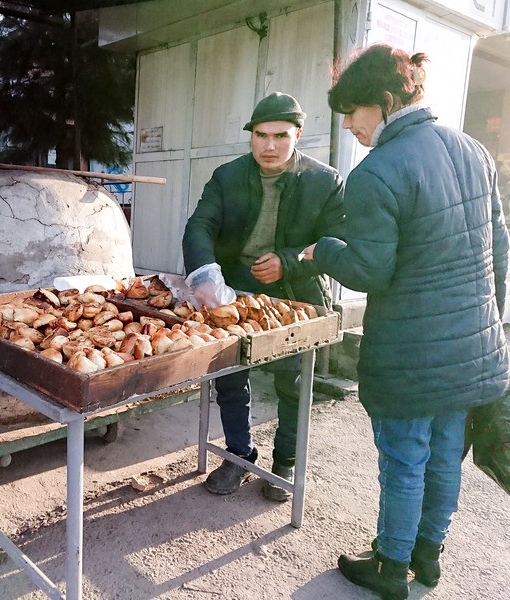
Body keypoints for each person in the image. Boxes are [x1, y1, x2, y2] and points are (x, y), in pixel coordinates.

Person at [302, 44, 510, 600]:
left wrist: (323, 250)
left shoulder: (377, 172)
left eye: (354, 111)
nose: (349, 125)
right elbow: (500, 248)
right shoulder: (475, 152)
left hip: (412, 352)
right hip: (474, 346)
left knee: (404, 459)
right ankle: (429, 558)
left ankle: (391, 568)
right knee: (446, 457)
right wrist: (493, 324)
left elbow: (370, 269)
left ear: (388, 102)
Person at [182, 92, 346, 501]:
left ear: (298, 135)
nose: (269, 146)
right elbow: (199, 225)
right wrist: (204, 273)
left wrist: (289, 262)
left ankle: (284, 463)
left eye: (280, 136)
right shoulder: (228, 176)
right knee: (230, 377)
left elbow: (340, 241)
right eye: (260, 135)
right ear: (250, 136)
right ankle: (239, 454)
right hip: (236, 289)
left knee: (292, 382)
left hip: (298, 292)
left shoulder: (325, 181)